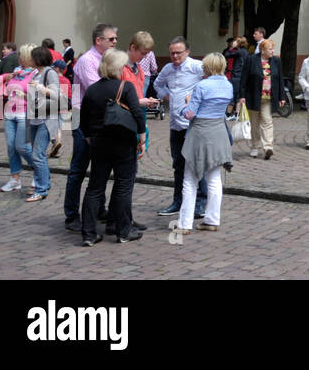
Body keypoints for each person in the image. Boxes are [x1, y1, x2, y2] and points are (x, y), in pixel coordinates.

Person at [79, 49, 147, 245]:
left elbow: (84, 119)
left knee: (95, 188)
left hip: (99, 143)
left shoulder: (92, 89)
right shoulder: (125, 87)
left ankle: (89, 234)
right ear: (118, 67)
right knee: (123, 186)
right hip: (123, 142)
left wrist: (89, 138)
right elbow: (137, 114)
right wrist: (141, 139)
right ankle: (123, 231)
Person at [173, 51, 235, 235]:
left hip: (200, 132)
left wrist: (185, 104)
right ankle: (212, 219)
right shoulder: (228, 85)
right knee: (214, 178)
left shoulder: (201, 86)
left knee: (190, 179)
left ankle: (184, 223)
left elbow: (190, 114)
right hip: (218, 131)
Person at [63, 23, 115, 233]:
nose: (114, 42)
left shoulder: (105, 60)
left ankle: (99, 208)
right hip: (82, 118)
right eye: (111, 39)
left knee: (99, 166)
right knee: (78, 168)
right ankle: (71, 215)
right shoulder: (87, 61)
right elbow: (98, 91)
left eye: (115, 39)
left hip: (98, 119)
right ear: (98, 41)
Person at [153, 37, 207, 218]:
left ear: (187, 52)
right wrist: (166, 96)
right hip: (175, 124)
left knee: (197, 163)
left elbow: (211, 81)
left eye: (178, 52)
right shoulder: (168, 69)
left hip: (192, 125)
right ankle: (178, 201)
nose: (175, 56)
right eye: (172, 53)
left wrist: (196, 97)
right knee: (178, 165)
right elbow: (157, 84)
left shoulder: (196, 67)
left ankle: (200, 203)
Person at [0, 45, 37, 193]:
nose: (18, 58)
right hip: (10, 113)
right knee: (11, 147)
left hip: (24, 113)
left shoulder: (36, 74)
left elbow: (39, 97)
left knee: (22, 146)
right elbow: (5, 87)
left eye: (20, 55)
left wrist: (24, 95)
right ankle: (15, 179)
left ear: (27, 57)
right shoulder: (17, 72)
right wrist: (7, 79)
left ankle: (40, 170)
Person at [24, 45, 63, 202]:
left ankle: (41, 189)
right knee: (37, 155)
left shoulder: (50, 73)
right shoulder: (35, 73)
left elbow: (55, 95)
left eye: (32, 57)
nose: (30, 59)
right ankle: (44, 185)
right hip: (35, 118)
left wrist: (40, 87)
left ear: (38, 58)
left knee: (37, 155)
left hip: (46, 119)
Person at [241, 38, 286, 158]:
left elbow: (280, 79)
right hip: (253, 97)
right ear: (262, 50)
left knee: (267, 121)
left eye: (273, 49)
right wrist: (241, 96)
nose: (272, 51)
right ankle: (255, 147)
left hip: (268, 98)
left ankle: (268, 147)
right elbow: (243, 79)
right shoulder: (251, 60)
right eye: (270, 49)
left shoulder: (276, 61)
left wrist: (282, 97)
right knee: (254, 124)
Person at [121, 32, 161, 109]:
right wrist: (139, 102)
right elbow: (116, 98)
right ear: (133, 47)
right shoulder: (119, 67)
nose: (145, 57)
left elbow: (138, 95)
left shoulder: (138, 67)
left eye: (147, 54)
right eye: (143, 53)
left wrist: (147, 101)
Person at [223, 36, 250, 105]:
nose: (233, 42)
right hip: (242, 75)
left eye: (235, 41)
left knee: (233, 95)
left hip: (236, 75)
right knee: (238, 96)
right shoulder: (245, 51)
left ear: (238, 43)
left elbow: (227, 55)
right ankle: (237, 114)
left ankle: (229, 114)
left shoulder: (239, 52)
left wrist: (231, 47)